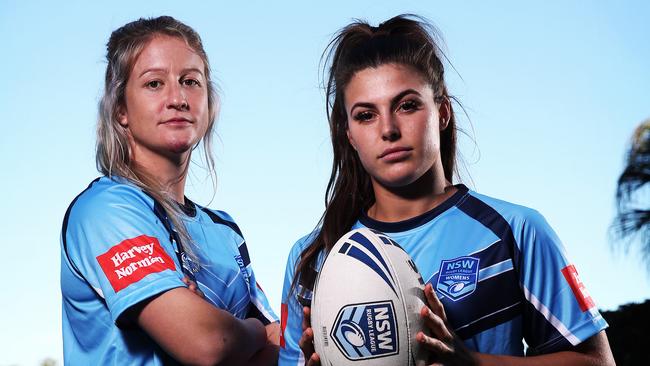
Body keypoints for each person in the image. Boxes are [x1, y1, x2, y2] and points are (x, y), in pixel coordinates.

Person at [279, 15, 614, 366]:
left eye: (406, 105)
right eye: (366, 115)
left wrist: (471, 362)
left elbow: (597, 363)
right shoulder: (314, 257)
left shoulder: (513, 230)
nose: (389, 129)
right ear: (349, 134)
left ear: (442, 112)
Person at [60, 16, 279, 365]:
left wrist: (223, 328)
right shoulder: (105, 210)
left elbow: (280, 347)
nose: (177, 98)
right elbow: (206, 343)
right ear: (121, 110)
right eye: (154, 84)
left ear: (209, 101)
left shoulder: (224, 230)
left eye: (190, 81)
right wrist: (250, 330)